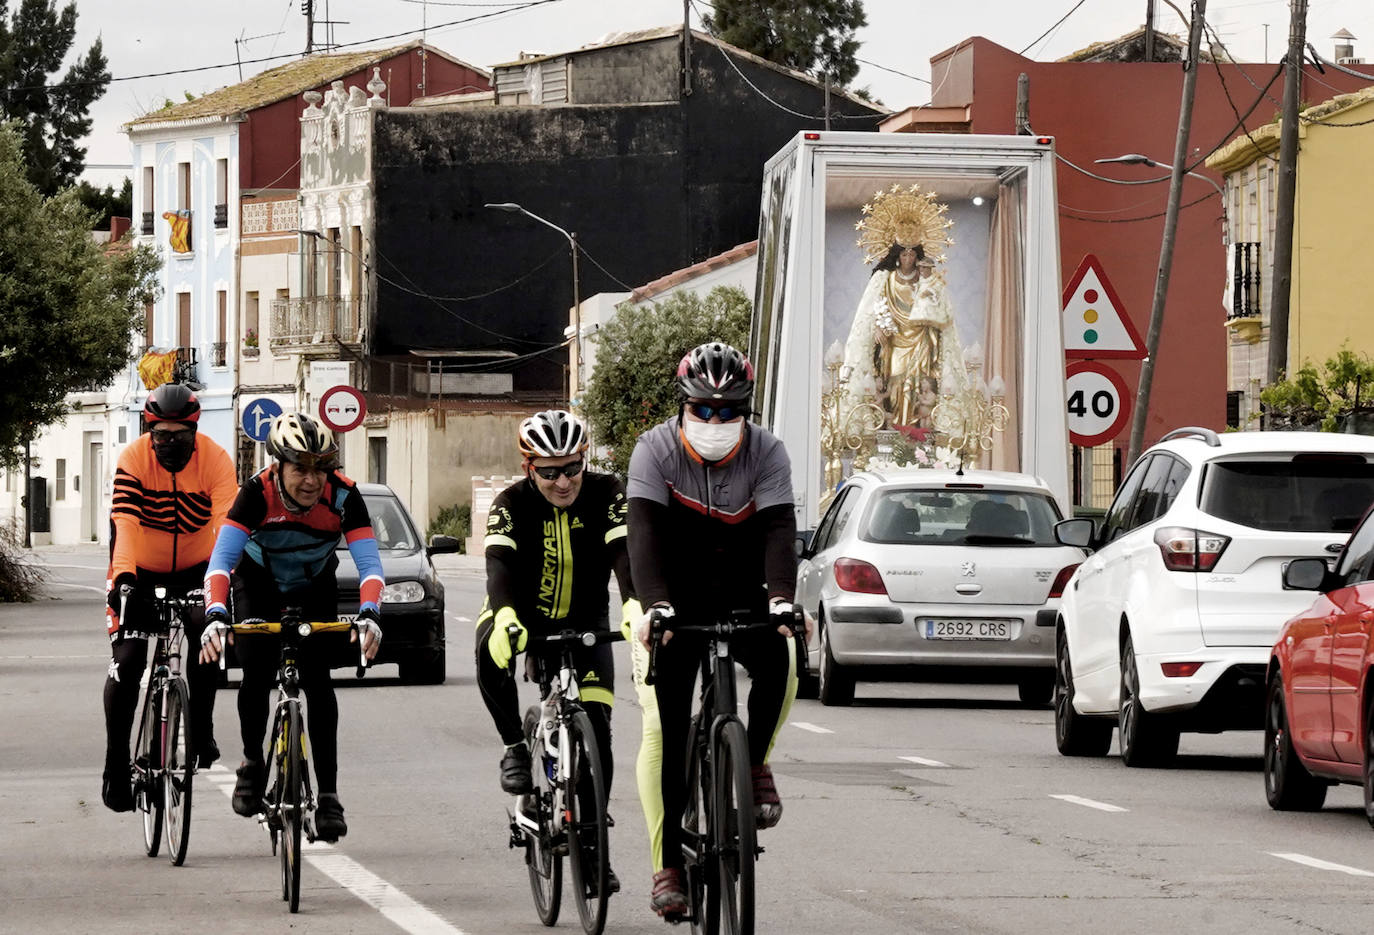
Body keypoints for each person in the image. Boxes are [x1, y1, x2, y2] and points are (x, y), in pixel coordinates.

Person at [626, 341, 807, 918]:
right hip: (677, 595)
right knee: (673, 730)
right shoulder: (653, 450)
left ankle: (752, 763)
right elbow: (644, 538)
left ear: (746, 412)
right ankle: (670, 866)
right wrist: (655, 605)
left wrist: (782, 600)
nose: (715, 421)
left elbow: (780, 529)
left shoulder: (768, 451)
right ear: (683, 405)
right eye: (703, 409)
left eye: (729, 411)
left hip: (744, 585)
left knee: (782, 658)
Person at [197, 412, 383, 843]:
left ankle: (330, 796)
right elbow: (221, 564)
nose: (312, 480)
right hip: (258, 582)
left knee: (319, 683)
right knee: (256, 669)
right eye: (300, 467)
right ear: (278, 465)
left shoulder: (344, 495)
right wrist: (216, 615)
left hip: (314, 583)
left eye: (321, 468)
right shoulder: (256, 494)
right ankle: (250, 763)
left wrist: (371, 611)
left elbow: (370, 566)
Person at [475, 409, 638, 896]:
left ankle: (592, 847)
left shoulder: (608, 491)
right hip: (521, 613)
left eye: (572, 467)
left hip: (587, 619)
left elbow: (624, 550)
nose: (563, 481)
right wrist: (505, 617)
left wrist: (632, 602)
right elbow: (498, 566)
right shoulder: (509, 503)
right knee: (487, 649)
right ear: (530, 467)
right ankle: (513, 746)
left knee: (598, 728)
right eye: (549, 472)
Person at [101, 383, 239, 813]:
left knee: (207, 632)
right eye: (162, 434)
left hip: (198, 566)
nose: (171, 443)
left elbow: (227, 527)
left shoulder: (216, 459)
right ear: (150, 430)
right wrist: (123, 579)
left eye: (181, 435)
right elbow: (124, 524)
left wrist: (223, 580)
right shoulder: (133, 459)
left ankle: (201, 727)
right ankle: (115, 765)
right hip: (138, 567)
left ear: (195, 431)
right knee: (127, 663)